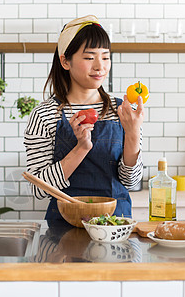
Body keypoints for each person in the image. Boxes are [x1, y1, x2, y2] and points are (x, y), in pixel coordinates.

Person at [24, 15, 144, 222]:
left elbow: (131, 182)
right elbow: (39, 190)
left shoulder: (122, 110)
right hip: (65, 230)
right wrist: (81, 148)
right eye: (89, 58)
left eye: (105, 57)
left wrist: (133, 133)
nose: (100, 66)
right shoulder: (44, 115)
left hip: (115, 226)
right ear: (65, 61)